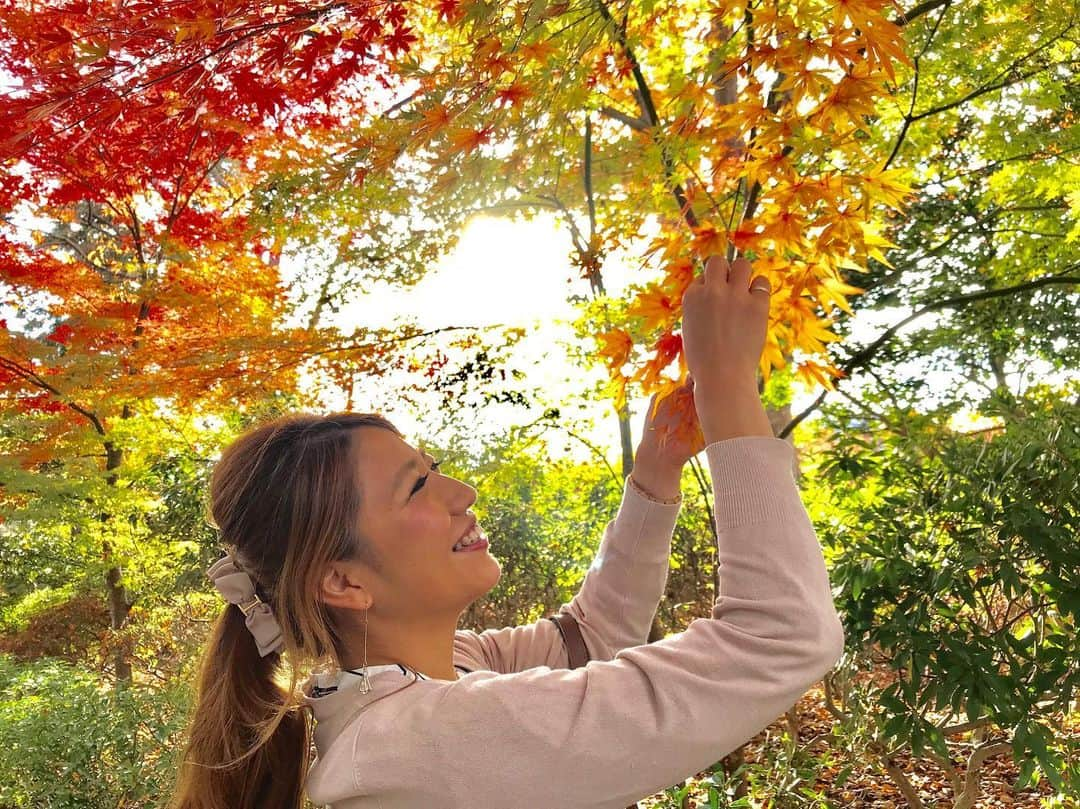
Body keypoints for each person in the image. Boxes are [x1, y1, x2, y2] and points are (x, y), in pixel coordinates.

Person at [169, 255, 845, 809]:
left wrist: (656, 470)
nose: (462, 493)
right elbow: (782, 636)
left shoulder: (426, 680)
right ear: (342, 580)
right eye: (416, 487)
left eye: (433, 470)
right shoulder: (432, 740)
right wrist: (729, 388)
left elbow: (591, 635)